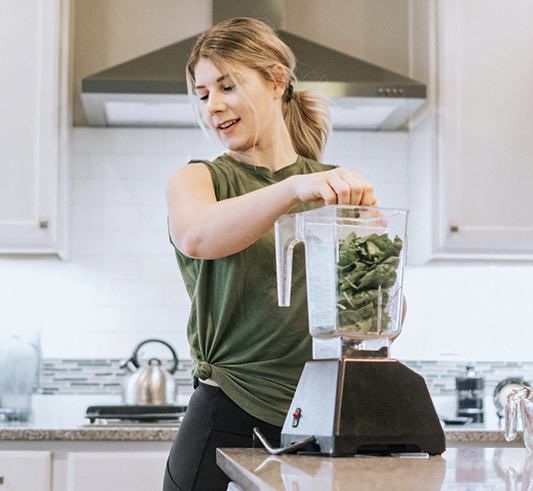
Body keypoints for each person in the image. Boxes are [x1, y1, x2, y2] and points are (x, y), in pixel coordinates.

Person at [162, 17, 378, 491]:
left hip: (322, 411)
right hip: (226, 409)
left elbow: (371, 315)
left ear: (276, 79)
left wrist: (379, 265)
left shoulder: (332, 186)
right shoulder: (199, 179)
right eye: (202, 94)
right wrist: (293, 188)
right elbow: (198, 235)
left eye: (227, 86)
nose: (213, 106)